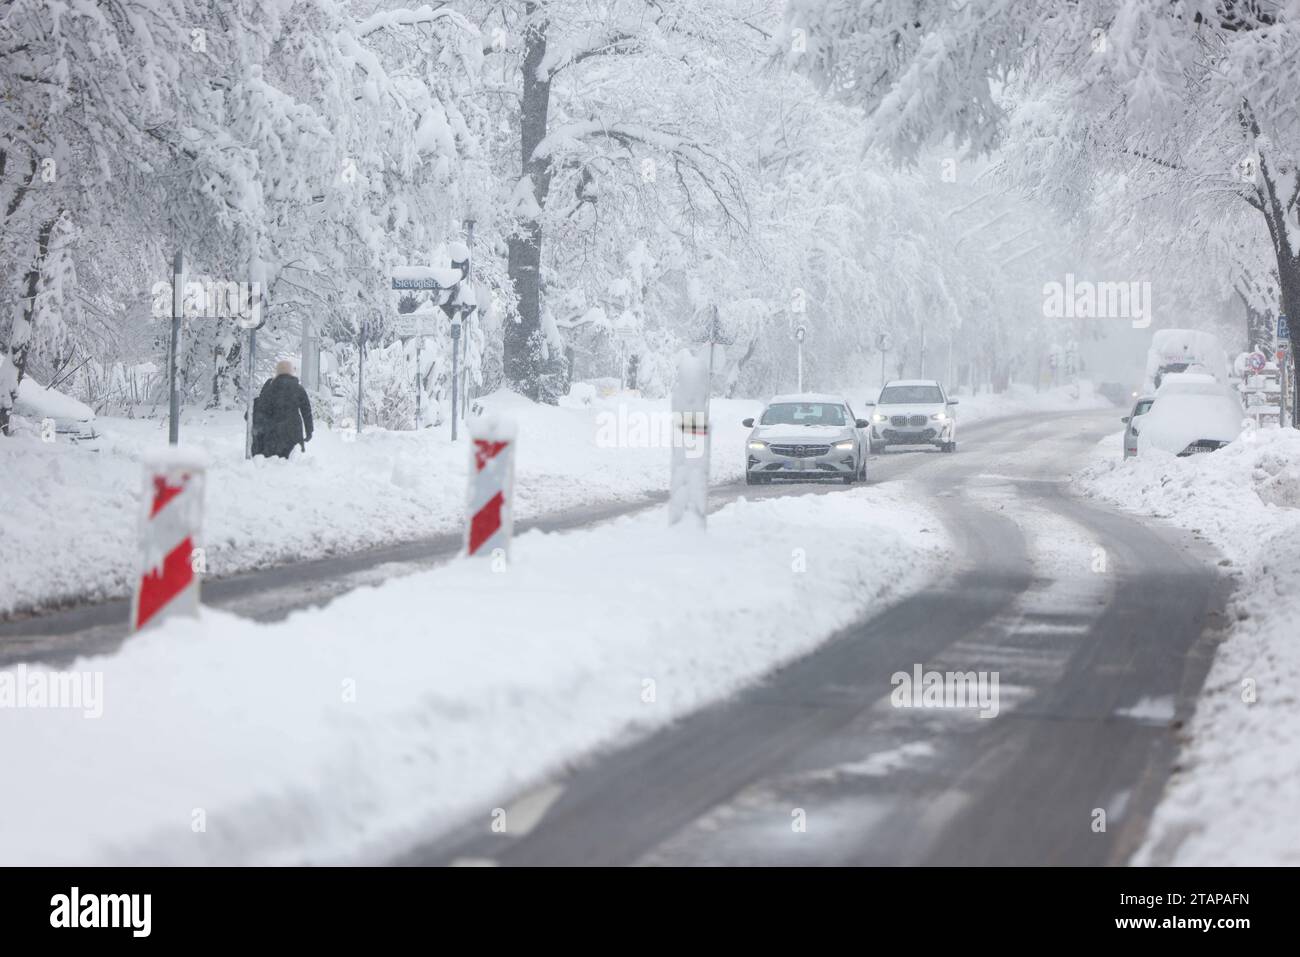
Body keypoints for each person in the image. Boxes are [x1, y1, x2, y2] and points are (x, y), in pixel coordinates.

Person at [253, 359, 313, 458]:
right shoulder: (298, 389)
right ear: (291, 372)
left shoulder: (270, 388)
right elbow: (306, 411)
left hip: (273, 435)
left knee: (274, 463)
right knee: (292, 462)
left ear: (277, 372)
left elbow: (261, 407)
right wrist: (309, 431)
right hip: (294, 433)